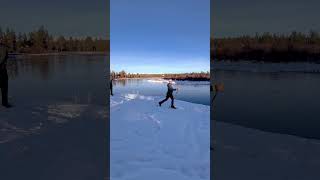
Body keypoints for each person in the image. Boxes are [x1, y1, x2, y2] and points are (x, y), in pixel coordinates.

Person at [0, 40, 12, 108]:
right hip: (2, 69)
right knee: (4, 86)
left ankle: (5, 103)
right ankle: (5, 103)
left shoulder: (3, 47)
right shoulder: (4, 47)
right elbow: (5, 57)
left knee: (4, 86)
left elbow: (5, 57)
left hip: (2, 69)